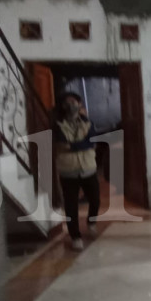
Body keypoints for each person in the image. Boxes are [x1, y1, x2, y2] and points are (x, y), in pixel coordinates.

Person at [54, 92, 100, 250]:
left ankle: (91, 222)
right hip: (68, 171)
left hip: (88, 168)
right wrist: (83, 144)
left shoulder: (88, 123)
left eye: (74, 101)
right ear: (63, 106)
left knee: (95, 199)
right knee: (71, 205)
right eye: (67, 102)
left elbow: (92, 143)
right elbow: (61, 145)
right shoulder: (58, 125)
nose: (71, 105)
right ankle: (75, 236)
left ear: (80, 104)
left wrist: (72, 146)